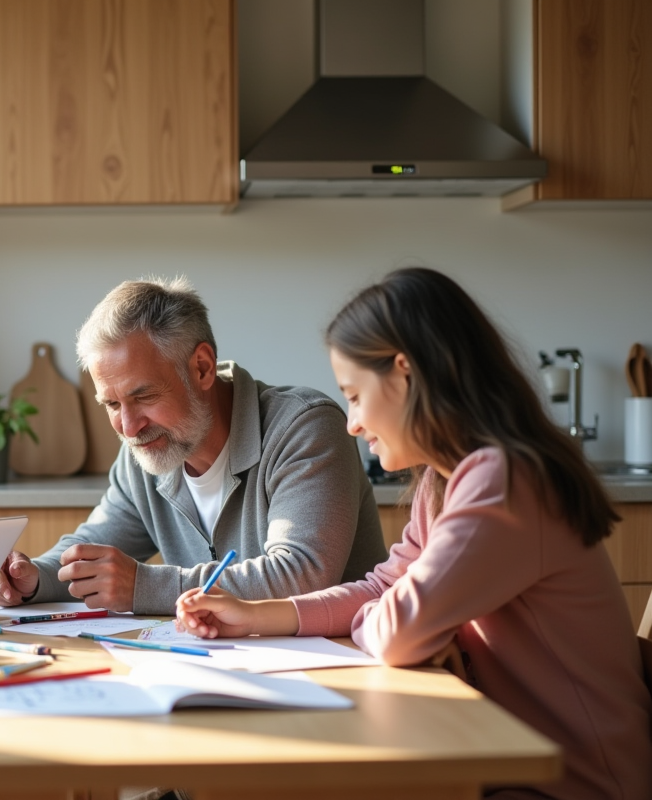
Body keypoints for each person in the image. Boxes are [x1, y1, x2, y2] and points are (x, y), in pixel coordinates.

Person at [176, 267, 652, 800]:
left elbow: (400, 631)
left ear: (405, 374)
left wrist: (405, 620)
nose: (352, 423)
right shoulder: (444, 481)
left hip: (572, 783)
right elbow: (385, 588)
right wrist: (258, 616)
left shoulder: (507, 482)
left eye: (355, 395)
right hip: (498, 755)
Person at [0, 277, 387, 615]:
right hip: (226, 664)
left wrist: (143, 585)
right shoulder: (145, 452)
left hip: (337, 665)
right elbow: (93, 548)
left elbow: (302, 573)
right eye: (111, 404)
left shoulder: (304, 426)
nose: (128, 427)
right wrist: (34, 577)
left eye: (143, 396)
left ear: (202, 368)